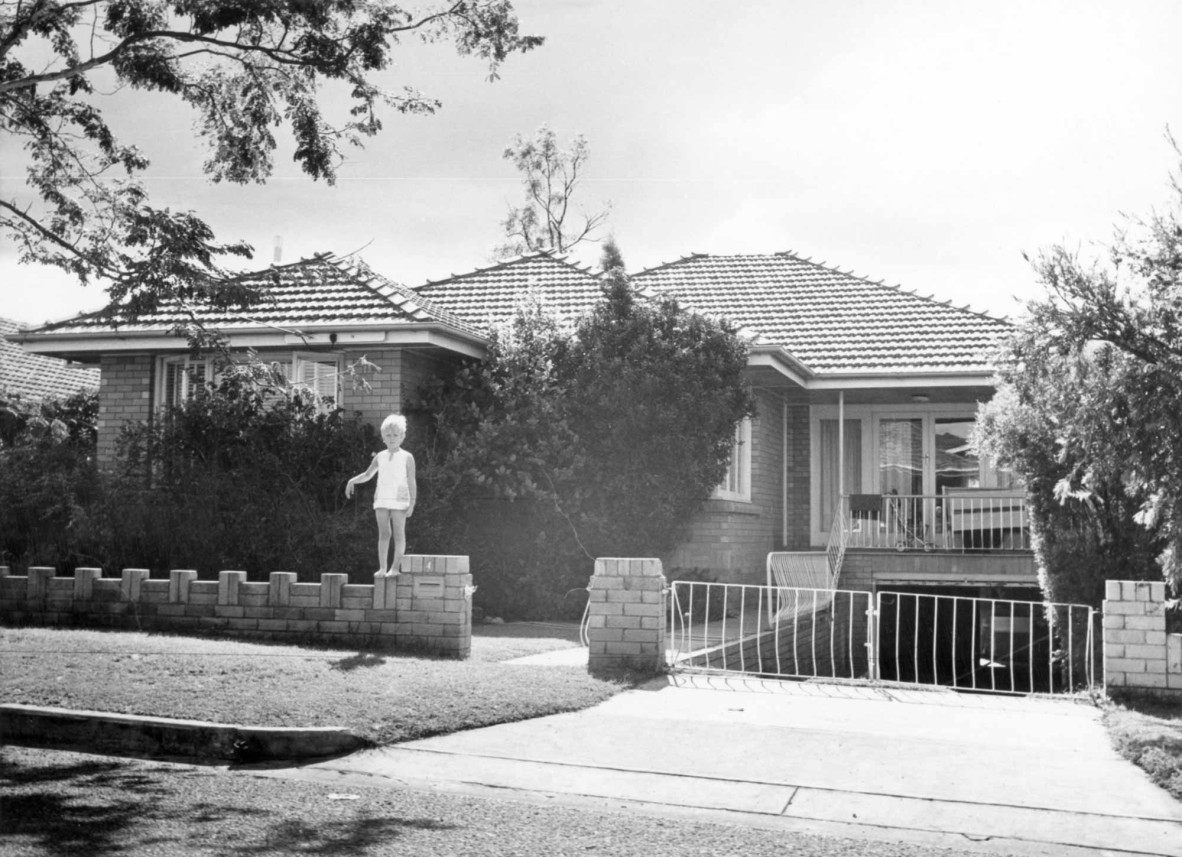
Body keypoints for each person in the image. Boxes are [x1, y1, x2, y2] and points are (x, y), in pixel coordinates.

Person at [345, 414, 416, 577]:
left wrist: (412, 502)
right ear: (383, 437)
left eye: (395, 435)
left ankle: (395, 568)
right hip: (382, 498)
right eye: (388, 435)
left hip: (400, 499)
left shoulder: (407, 457)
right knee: (384, 533)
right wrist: (352, 481)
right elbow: (368, 474)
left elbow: (412, 481)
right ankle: (383, 568)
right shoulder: (380, 456)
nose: (392, 439)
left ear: (402, 436)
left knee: (399, 533)